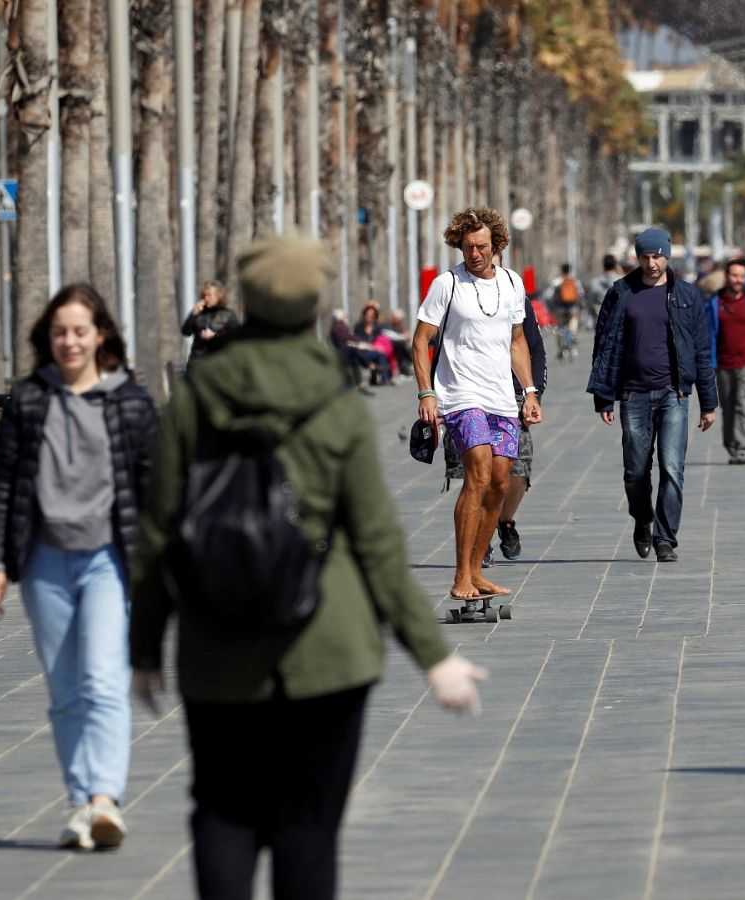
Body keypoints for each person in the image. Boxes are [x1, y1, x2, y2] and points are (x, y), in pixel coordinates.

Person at [129, 233, 485, 900]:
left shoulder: (195, 397)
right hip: (329, 645)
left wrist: (144, 647)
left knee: (223, 813)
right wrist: (435, 656)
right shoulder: (335, 400)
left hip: (217, 640)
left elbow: (157, 532)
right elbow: (377, 542)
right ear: (317, 305)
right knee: (309, 826)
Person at [0, 284, 159, 851]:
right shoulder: (30, 398)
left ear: (99, 334)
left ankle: (105, 798)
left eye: (80, 330)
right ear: (47, 338)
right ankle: (81, 800)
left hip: (109, 559)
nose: (70, 341)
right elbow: (3, 485)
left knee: (102, 680)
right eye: (60, 332)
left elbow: (155, 484)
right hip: (45, 561)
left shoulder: (127, 401)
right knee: (64, 689)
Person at [412, 208, 542, 604]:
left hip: (503, 396)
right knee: (479, 475)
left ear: (496, 245)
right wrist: (426, 392)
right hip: (461, 395)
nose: (475, 254)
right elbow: (420, 341)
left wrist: (530, 391)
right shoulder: (446, 284)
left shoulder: (512, 283)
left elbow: (517, 341)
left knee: (501, 481)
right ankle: (460, 575)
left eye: (482, 246)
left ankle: (477, 573)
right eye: (468, 247)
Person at [587, 228, 718, 562]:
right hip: (633, 395)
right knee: (635, 470)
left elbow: (702, 351)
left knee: (672, 468)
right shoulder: (621, 293)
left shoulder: (686, 295)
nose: (652, 263)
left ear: (667, 254)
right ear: (637, 257)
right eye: (645, 256)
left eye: (657, 256)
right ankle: (642, 519)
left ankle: (665, 538)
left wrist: (708, 402)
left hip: (674, 394)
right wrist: (604, 397)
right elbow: (604, 346)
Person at [705, 257, 745, 464]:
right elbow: (708, 333)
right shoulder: (715, 302)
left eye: (742, 276)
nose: (738, 280)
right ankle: (731, 445)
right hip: (722, 363)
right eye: (734, 275)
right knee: (728, 406)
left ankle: (743, 448)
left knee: (743, 403)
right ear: (726, 276)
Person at [182, 281, 241, 361]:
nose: (206, 298)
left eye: (209, 295)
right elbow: (186, 332)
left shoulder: (228, 315)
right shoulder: (199, 313)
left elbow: (236, 337)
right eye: (204, 295)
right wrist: (193, 314)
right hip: (198, 360)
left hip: (219, 360)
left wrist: (215, 335)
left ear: (218, 296)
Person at [351, 301, 396, 385]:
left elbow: (380, 339)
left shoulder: (376, 327)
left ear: (374, 317)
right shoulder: (358, 326)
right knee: (379, 355)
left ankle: (383, 378)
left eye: (372, 316)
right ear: (364, 315)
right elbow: (357, 340)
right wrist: (370, 346)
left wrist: (378, 347)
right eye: (367, 315)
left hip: (374, 350)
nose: (369, 318)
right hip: (363, 351)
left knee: (381, 354)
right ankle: (383, 376)